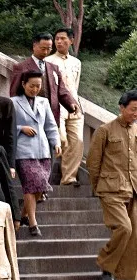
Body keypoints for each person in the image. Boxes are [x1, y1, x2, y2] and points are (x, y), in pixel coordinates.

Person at [86, 90, 137, 280]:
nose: (136, 113)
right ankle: (106, 267)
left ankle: (118, 276)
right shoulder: (105, 130)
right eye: (133, 109)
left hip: (133, 189)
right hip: (110, 190)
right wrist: (99, 187)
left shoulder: (135, 131)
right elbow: (93, 163)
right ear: (122, 108)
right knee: (124, 228)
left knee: (134, 235)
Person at [12, 71, 61, 236]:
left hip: (42, 150)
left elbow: (50, 125)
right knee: (30, 185)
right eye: (31, 85)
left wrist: (56, 142)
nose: (34, 89)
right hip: (23, 151)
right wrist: (21, 129)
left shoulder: (44, 102)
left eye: (38, 86)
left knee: (39, 186)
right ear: (23, 84)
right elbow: (8, 127)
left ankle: (23, 214)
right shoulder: (13, 103)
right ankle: (33, 223)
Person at [9, 32, 78, 129]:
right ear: (34, 46)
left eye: (49, 49)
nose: (46, 52)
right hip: (30, 115)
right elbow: (14, 93)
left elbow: (61, 90)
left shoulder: (54, 68)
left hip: (51, 115)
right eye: (43, 49)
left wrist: (71, 103)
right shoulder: (21, 67)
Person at [45, 28, 84, 186]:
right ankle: (46, 178)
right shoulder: (48, 61)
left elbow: (75, 85)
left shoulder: (76, 62)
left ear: (71, 41)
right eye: (57, 39)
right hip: (56, 106)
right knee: (62, 140)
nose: (59, 42)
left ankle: (69, 178)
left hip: (74, 106)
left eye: (62, 39)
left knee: (78, 141)